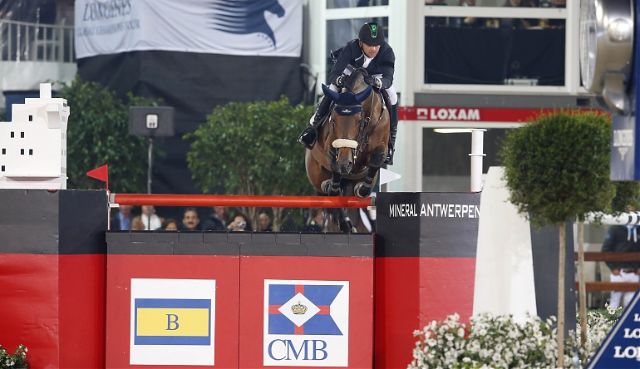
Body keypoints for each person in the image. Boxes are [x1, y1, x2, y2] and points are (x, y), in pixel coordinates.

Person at [298, 21, 398, 165]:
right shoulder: (351, 48)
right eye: (369, 45)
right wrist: (339, 80)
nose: (374, 49)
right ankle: (313, 128)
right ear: (360, 43)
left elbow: (388, 77)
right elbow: (335, 74)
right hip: (351, 75)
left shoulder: (387, 51)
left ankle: (391, 142)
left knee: (393, 95)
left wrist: (379, 83)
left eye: (377, 45)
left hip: (375, 77)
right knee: (332, 88)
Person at [601, 224, 640, 309]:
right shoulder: (615, 229)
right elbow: (605, 250)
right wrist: (613, 267)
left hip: (634, 273)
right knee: (614, 302)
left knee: (631, 303)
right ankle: (612, 321)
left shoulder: (638, 229)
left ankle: (628, 322)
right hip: (619, 273)